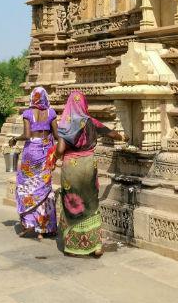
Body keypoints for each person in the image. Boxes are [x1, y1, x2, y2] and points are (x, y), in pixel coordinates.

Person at [50, 90, 127, 257]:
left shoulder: (66, 124)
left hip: (71, 166)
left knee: (73, 203)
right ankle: (96, 245)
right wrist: (124, 138)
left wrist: (54, 157)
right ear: (84, 104)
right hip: (88, 165)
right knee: (91, 201)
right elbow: (112, 133)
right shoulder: (91, 121)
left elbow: (61, 149)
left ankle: (74, 246)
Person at [9, 86, 59, 240]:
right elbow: (57, 135)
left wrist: (15, 139)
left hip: (31, 153)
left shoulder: (28, 113)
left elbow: (27, 135)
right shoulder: (51, 113)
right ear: (44, 98)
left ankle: (29, 223)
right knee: (44, 188)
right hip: (46, 154)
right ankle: (43, 228)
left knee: (26, 187)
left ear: (33, 98)